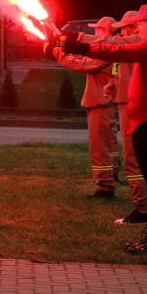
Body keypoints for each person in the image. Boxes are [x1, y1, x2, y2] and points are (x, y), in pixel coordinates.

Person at [62, 1, 147, 254]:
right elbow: (125, 51)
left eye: (141, 23)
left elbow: (119, 51)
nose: (138, 29)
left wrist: (80, 44)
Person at [49, 16, 120, 199]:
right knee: (108, 142)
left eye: (98, 29)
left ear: (105, 32)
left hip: (100, 102)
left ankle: (106, 187)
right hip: (104, 102)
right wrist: (62, 47)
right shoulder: (110, 49)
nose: (95, 32)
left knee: (99, 146)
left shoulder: (106, 50)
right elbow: (83, 56)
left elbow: (82, 64)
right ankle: (112, 175)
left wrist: (56, 53)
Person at [103, 11, 147, 224]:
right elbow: (118, 69)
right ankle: (144, 205)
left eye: (124, 27)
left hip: (132, 104)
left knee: (134, 158)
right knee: (134, 156)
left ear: (134, 28)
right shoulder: (127, 48)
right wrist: (112, 83)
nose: (121, 31)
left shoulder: (136, 44)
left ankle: (143, 209)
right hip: (124, 101)